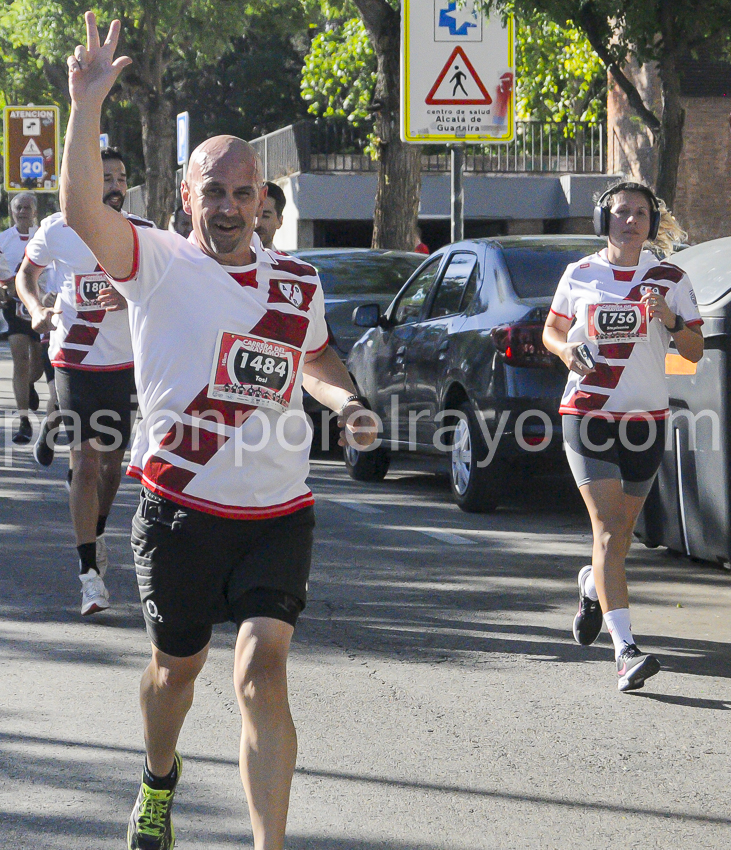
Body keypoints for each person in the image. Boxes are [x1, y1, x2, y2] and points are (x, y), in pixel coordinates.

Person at [62, 13, 377, 850]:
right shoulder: (155, 263)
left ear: (264, 200)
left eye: (245, 192)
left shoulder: (296, 282)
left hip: (279, 512)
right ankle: (158, 778)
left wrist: (345, 403)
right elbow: (82, 208)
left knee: (262, 675)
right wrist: (86, 106)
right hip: (179, 510)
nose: (231, 206)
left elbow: (313, 359)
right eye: (215, 191)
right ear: (186, 198)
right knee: (176, 675)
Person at [543, 181, 704, 692]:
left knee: (619, 538)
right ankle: (626, 651)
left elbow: (695, 350)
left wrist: (671, 319)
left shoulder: (670, 277)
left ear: (651, 224)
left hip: (647, 421)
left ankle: (593, 586)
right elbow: (550, 329)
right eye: (620, 213)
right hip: (588, 413)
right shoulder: (580, 273)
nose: (630, 221)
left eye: (640, 214)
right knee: (611, 530)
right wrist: (567, 353)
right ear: (602, 220)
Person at [17, 145, 151, 617]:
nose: (113, 186)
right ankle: (89, 575)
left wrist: (133, 294)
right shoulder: (58, 230)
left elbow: (163, 288)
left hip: (123, 368)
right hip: (74, 361)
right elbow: (26, 276)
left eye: (119, 178)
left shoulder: (142, 234)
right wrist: (37, 309)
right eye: (104, 177)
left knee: (112, 471)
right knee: (87, 465)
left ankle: (94, 533)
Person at [0, 192, 46, 443]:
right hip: (14, 307)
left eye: (27, 207)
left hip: (39, 305)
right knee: (19, 359)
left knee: (37, 364)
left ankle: (28, 385)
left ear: (35, 211)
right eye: (18, 207)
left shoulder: (44, 236)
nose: (22, 211)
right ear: (11, 210)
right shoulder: (3, 239)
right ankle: (24, 420)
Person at [254, 181, 285, 250]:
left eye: (265, 216)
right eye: (252, 216)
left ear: (279, 221)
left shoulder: (283, 260)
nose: (257, 223)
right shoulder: (225, 260)